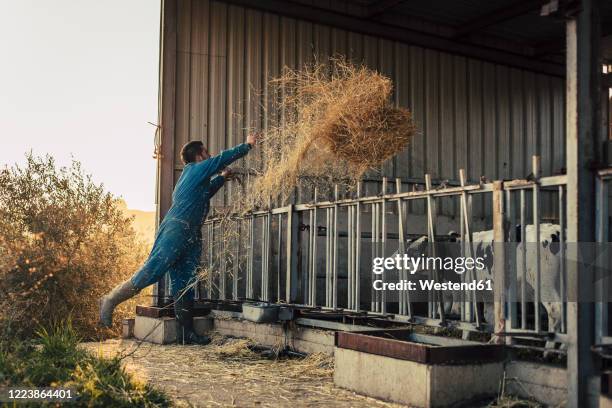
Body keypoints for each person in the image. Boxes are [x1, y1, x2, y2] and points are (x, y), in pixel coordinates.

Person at [99, 133, 257, 344]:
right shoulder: (194, 169)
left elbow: (206, 192)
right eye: (206, 152)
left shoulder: (195, 179)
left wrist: (222, 178)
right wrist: (246, 145)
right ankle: (111, 299)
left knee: (185, 283)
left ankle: (187, 333)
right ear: (200, 155)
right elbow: (220, 159)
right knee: (153, 270)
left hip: (191, 234)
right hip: (176, 230)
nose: (209, 155)